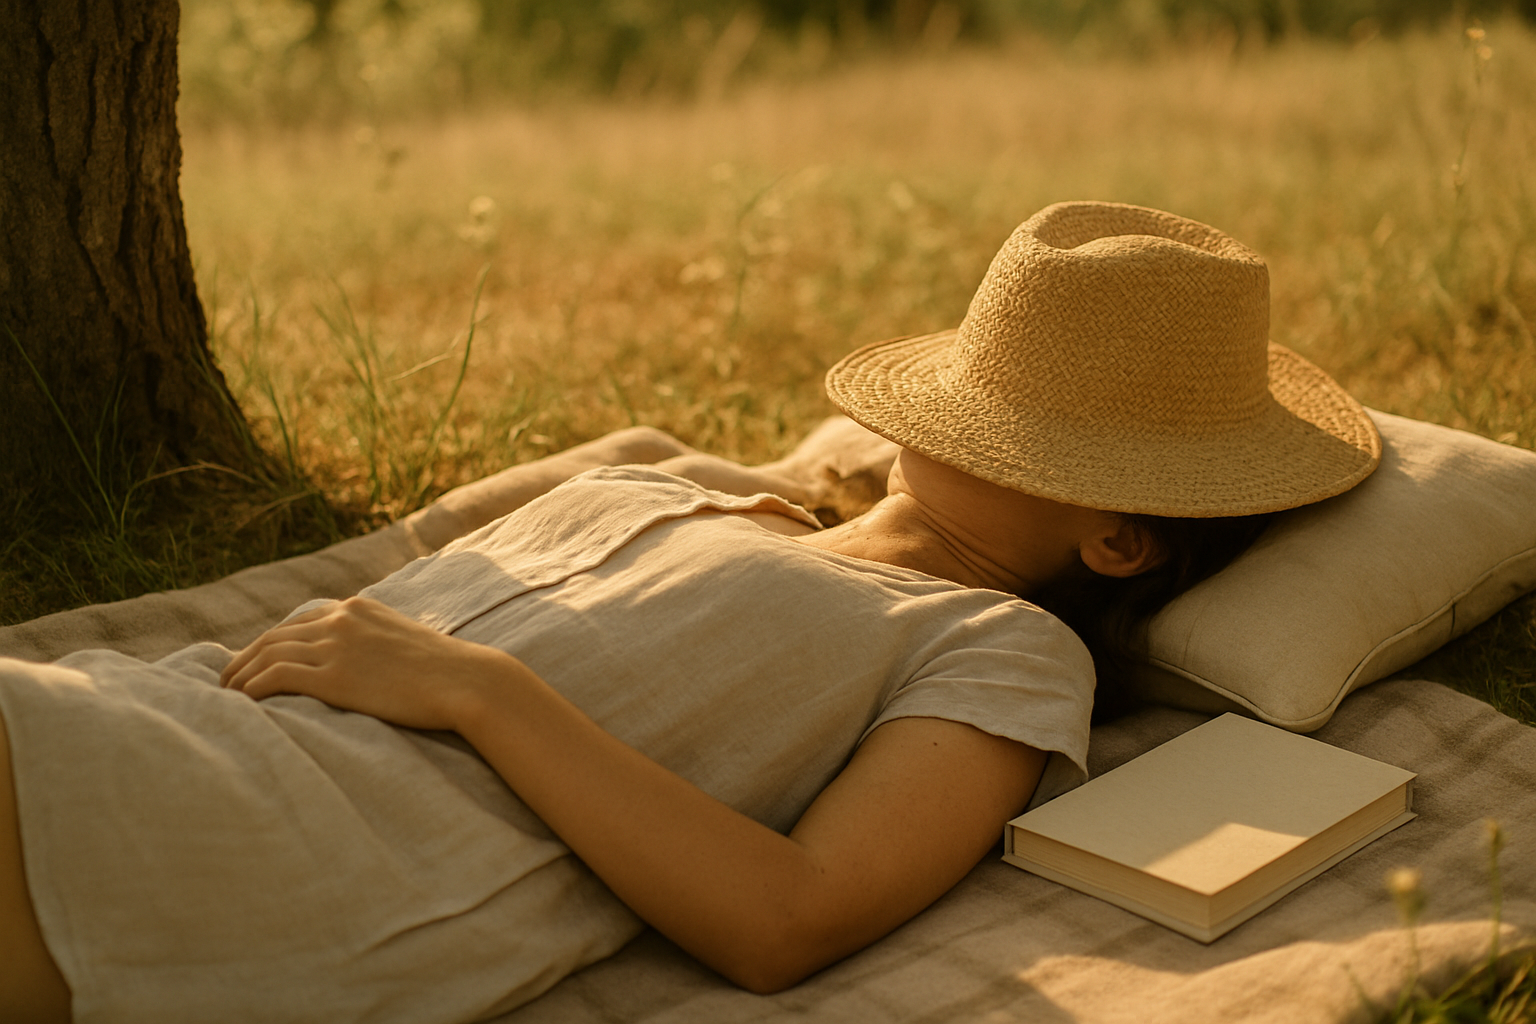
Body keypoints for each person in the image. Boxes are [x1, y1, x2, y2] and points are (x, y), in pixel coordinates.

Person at [0, 201, 1381, 1024]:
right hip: (165, 712)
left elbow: (786, 920)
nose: (958, 399)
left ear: (1119, 538)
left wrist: (479, 691)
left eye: (1014, 410)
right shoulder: (709, 493)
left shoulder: (996, 651)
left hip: (286, 836)